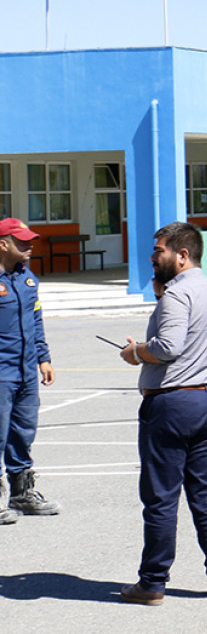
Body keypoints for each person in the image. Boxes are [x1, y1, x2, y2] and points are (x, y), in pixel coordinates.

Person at [118, 222, 207, 605]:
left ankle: (152, 582)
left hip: (172, 403)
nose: (153, 257)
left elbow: (167, 347)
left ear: (182, 255)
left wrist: (136, 352)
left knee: (161, 498)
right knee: (205, 493)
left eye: (159, 251)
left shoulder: (177, 294)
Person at [0, 218, 58, 525]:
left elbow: (36, 320)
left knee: (22, 432)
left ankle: (21, 493)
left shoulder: (27, 278)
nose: (30, 245)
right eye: (22, 241)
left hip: (25, 372)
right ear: (3, 244)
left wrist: (43, 358)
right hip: (1, 372)